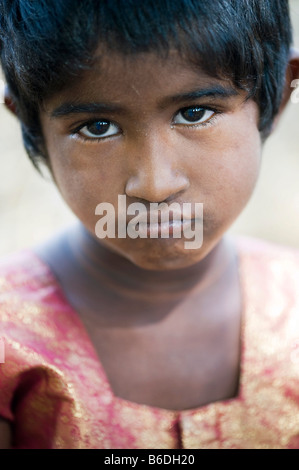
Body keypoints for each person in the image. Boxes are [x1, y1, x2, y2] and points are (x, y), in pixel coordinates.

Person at [0, 0, 299, 449]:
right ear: (32, 124)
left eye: (195, 112)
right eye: (97, 127)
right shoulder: (9, 343)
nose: (155, 185)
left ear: (277, 97)